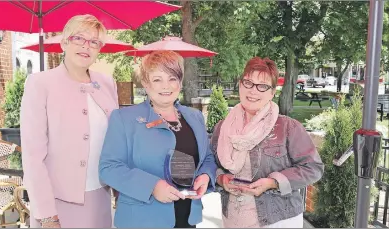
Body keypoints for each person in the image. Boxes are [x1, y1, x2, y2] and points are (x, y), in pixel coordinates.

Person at [20, 14, 118, 228]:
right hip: (56, 204)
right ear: (64, 42)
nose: (86, 46)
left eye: (94, 42)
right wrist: (47, 216)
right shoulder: (40, 84)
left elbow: (117, 142)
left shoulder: (107, 83)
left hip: (100, 199)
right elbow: (32, 156)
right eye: (79, 38)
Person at [99, 50, 217, 228]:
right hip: (142, 220)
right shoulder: (124, 119)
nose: (166, 86)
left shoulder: (195, 117)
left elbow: (207, 158)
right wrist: (152, 186)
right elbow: (109, 168)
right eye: (157, 79)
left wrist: (205, 176)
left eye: (172, 78)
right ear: (146, 84)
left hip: (187, 218)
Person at [211, 57, 324, 228]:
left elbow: (313, 168)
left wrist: (273, 182)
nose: (253, 91)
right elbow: (211, 163)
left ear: (272, 92)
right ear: (240, 85)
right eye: (248, 82)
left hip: (278, 220)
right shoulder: (222, 127)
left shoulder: (288, 127)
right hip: (234, 218)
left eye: (262, 86)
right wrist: (221, 178)